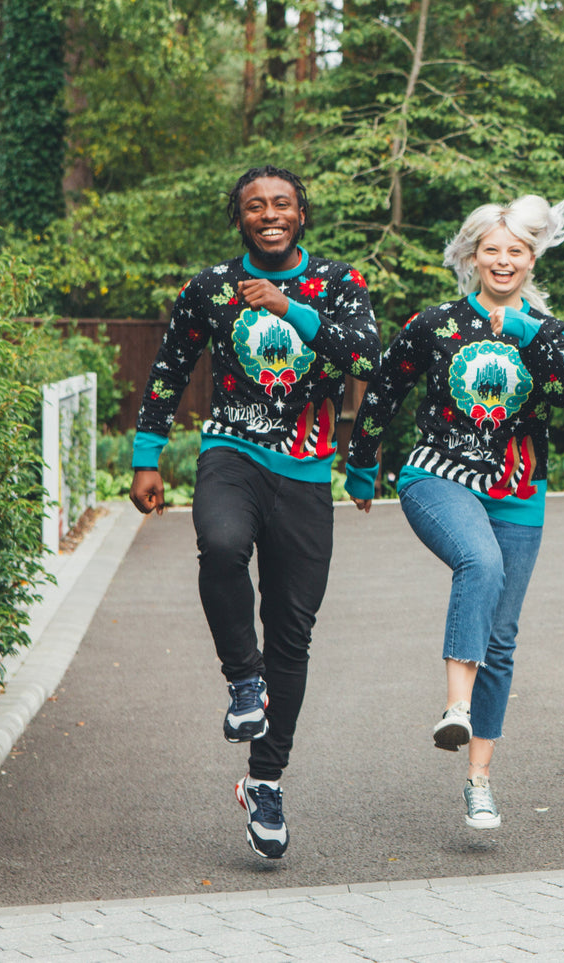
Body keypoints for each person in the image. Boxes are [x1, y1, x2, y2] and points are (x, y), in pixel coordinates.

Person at [129, 165, 380, 859]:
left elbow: (367, 355)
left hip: (307, 470)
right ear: (238, 217)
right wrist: (146, 456)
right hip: (232, 451)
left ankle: (264, 781)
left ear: (301, 214)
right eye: (254, 206)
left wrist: (287, 307)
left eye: (282, 204)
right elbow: (169, 369)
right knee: (220, 543)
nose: (269, 214)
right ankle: (244, 680)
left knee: (293, 634)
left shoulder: (338, 282)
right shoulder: (210, 287)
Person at [346, 195, 564, 830]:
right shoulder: (436, 324)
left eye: (516, 251)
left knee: (501, 641)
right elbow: (384, 389)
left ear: (532, 260)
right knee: (480, 560)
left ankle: (478, 780)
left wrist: (524, 332)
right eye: (491, 249)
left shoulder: (550, 332)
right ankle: (456, 708)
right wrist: (362, 465)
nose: (503, 261)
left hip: (519, 490)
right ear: (472, 257)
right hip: (438, 475)